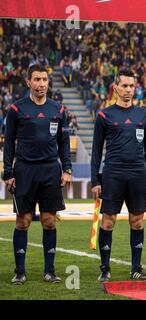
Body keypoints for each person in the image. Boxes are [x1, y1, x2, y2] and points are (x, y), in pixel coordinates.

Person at [2, 64, 72, 285]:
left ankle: (49, 271)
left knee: (49, 222)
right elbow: (9, 143)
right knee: (23, 221)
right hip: (25, 170)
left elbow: (64, 141)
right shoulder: (16, 109)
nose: (42, 84)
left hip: (51, 170)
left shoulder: (58, 110)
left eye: (44, 80)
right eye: (37, 80)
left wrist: (67, 168)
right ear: (28, 82)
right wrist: (8, 173)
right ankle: (20, 271)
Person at [90, 69, 146, 282]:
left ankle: (136, 268)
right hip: (113, 174)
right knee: (108, 222)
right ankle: (105, 268)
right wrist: (95, 181)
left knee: (137, 222)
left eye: (131, 86)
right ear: (116, 87)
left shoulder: (144, 115)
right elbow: (96, 151)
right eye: (124, 85)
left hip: (137, 174)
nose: (128, 90)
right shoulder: (104, 115)